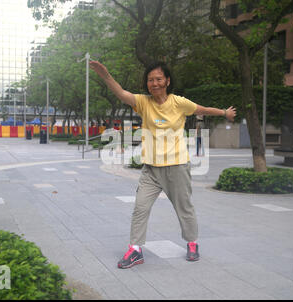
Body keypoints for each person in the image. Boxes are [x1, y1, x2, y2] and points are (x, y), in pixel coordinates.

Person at [90, 60, 236, 268]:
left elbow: (201, 109)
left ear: (167, 81)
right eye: (150, 80)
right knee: (140, 207)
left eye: (158, 79)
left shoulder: (179, 103)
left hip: (177, 166)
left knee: (184, 207)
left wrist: (224, 113)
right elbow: (122, 94)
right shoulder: (143, 102)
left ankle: (192, 243)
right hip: (150, 169)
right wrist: (105, 74)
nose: (154, 83)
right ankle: (135, 250)